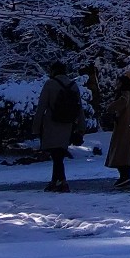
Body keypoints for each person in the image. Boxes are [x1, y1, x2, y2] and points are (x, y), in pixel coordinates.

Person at [34, 61, 83, 193]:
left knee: (56, 154)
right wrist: (81, 127)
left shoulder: (50, 84)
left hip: (52, 123)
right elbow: (79, 108)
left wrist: (36, 126)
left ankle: (60, 181)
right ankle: (57, 180)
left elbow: (41, 106)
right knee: (59, 154)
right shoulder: (73, 85)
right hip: (68, 124)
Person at [106, 73, 130, 188]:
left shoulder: (125, 95)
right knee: (126, 153)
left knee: (120, 152)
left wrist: (110, 108)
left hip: (123, 127)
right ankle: (125, 177)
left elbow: (121, 103)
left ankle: (124, 177)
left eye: (118, 82)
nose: (116, 84)